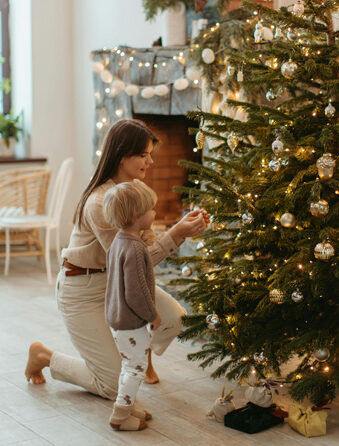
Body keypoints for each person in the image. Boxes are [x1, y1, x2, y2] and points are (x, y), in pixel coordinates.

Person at [25, 119, 208, 403]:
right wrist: (176, 234)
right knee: (111, 386)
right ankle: (45, 356)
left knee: (174, 319)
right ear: (123, 155)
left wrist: (180, 231)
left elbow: (144, 249)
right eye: (144, 154)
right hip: (83, 289)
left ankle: (140, 352)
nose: (151, 160)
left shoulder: (134, 192)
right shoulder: (101, 203)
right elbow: (131, 262)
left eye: (150, 153)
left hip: (116, 283)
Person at [103, 180, 160, 431]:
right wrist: (152, 315)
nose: (154, 213)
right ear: (137, 216)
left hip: (117, 318)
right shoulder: (136, 248)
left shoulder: (119, 240)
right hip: (131, 320)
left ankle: (128, 405)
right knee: (136, 367)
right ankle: (120, 415)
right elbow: (137, 293)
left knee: (129, 365)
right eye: (151, 209)